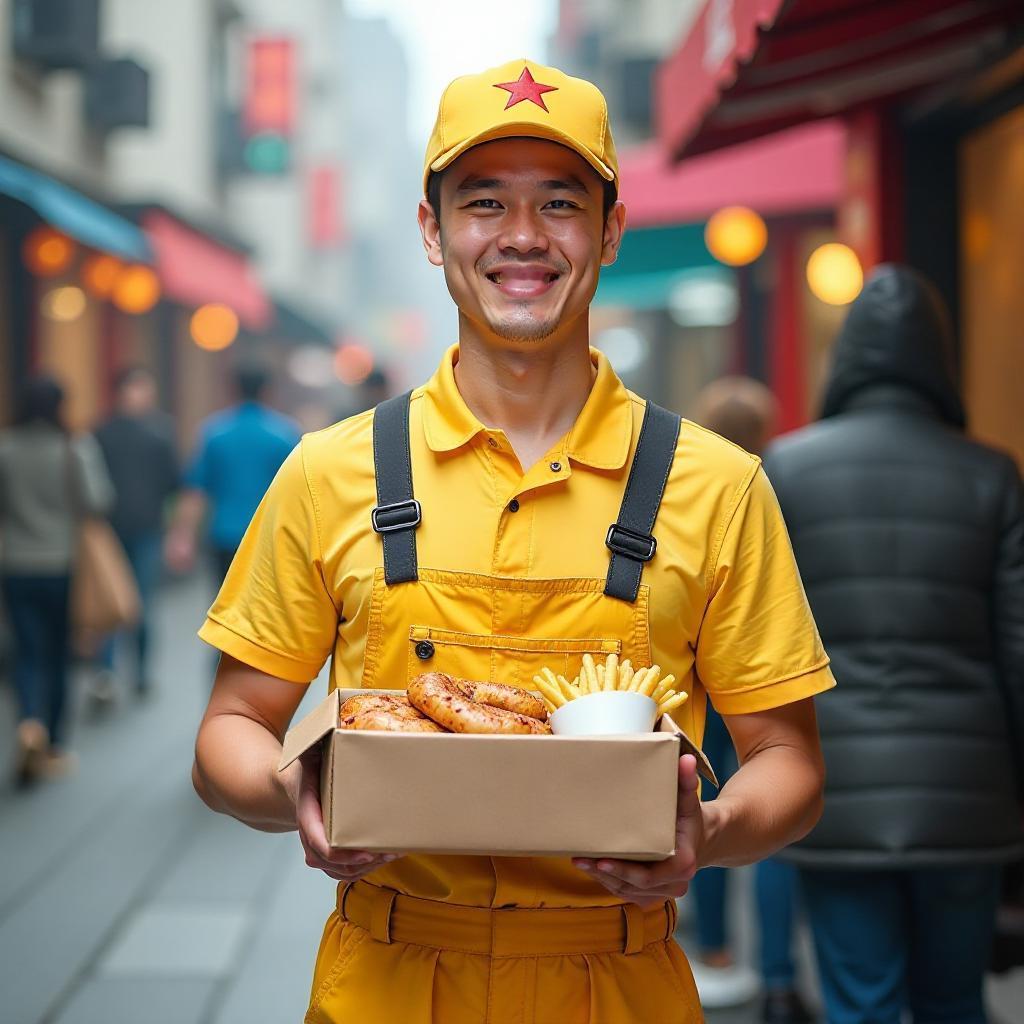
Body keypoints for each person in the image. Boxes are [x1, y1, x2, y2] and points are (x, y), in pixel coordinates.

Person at [191, 59, 835, 1022]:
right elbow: (229, 728)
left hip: (621, 986)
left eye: (562, 204)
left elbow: (789, 757)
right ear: (432, 229)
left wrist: (712, 823)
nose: (523, 238)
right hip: (384, 981)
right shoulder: (330, 473)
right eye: (484, 201)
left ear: (611, 230)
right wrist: (298, 795)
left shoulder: (719, 484)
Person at [762, 264, 1024, 1024]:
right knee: (953, 1000)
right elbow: (1017, 649)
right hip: (966, 793)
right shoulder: (992, 474)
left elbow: (764, 641)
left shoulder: (787, 467)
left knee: (861, 1002)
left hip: (836, 791)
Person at [689, 378, 815, 1024]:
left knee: (706, 806)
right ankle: (777, 971)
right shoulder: (777, 487)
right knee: (767, 815)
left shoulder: (688, 488)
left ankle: (712, 950)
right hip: (759, 670)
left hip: (700, 679)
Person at [0, 375, 113, 783]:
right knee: (57, 653)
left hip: (14, 564)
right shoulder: (73, 447)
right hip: (62, 565)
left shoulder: (6, 449)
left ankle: (29, 720)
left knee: (27, 651)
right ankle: (54, 742)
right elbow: (99, 500)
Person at [165, 364, 300, 581]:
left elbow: (195, 491)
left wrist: (183, 536)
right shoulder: (285, 434)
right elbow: (298, 492)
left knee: (226, 604)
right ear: (267, 391)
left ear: (233, 389)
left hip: (224, 534)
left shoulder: (214, 432)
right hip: (270, 537)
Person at [93, 366, 180, 697]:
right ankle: (106, 671)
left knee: (142, 603)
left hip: (147, 530)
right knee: (112, 602)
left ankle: (139, 671)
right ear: (121, 392)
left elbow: (172, 482)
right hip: (111, 532)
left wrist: (173, 531)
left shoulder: (160, 433)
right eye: (137, 388)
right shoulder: (102, 433)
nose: (142, 394)